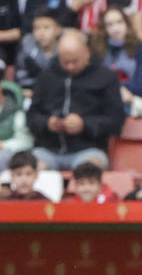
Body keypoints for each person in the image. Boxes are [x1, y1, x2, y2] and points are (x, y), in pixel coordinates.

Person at [27, 29, 125, 172]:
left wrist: (84, 124)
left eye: (75, 61)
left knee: (87, 172)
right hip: (48, 149)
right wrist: (47, 123)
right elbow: (31, 117)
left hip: (89, 150)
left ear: (87, 53)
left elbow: (116, 121)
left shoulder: (106, 77)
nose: (70, 66)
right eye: (65, 62)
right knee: (29, 171)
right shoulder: (46, 77)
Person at [16, 6, 61, 95]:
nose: (41, 33)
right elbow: (21, 74)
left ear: (58, 30)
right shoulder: (27, 46)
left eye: (46, 27)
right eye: (37, 28)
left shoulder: (65, 49)